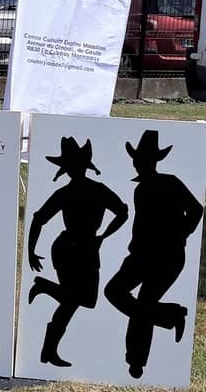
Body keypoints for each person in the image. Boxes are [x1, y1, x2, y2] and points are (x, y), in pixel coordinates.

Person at [103, 130, 203, 379]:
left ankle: (136, 362)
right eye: (138, 159)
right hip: (139, 256)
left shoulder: (170, 182)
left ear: (153, 161)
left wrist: (180, 235)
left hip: (167, 257)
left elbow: (196, 209)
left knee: (143, 304)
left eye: (144, 159)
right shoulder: (140, 189)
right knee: (116, 293)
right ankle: (170, 316)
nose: (139, 163)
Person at [25, 136, 127, 367]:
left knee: (83, 300)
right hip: (70, 248)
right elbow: (38, 218)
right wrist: (30, 251)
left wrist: (102, 237)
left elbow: (122, 211)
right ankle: (49, 350)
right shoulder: (77, 192)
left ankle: (45, 288)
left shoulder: (85, 191)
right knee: (74, 301)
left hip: (84, 247)